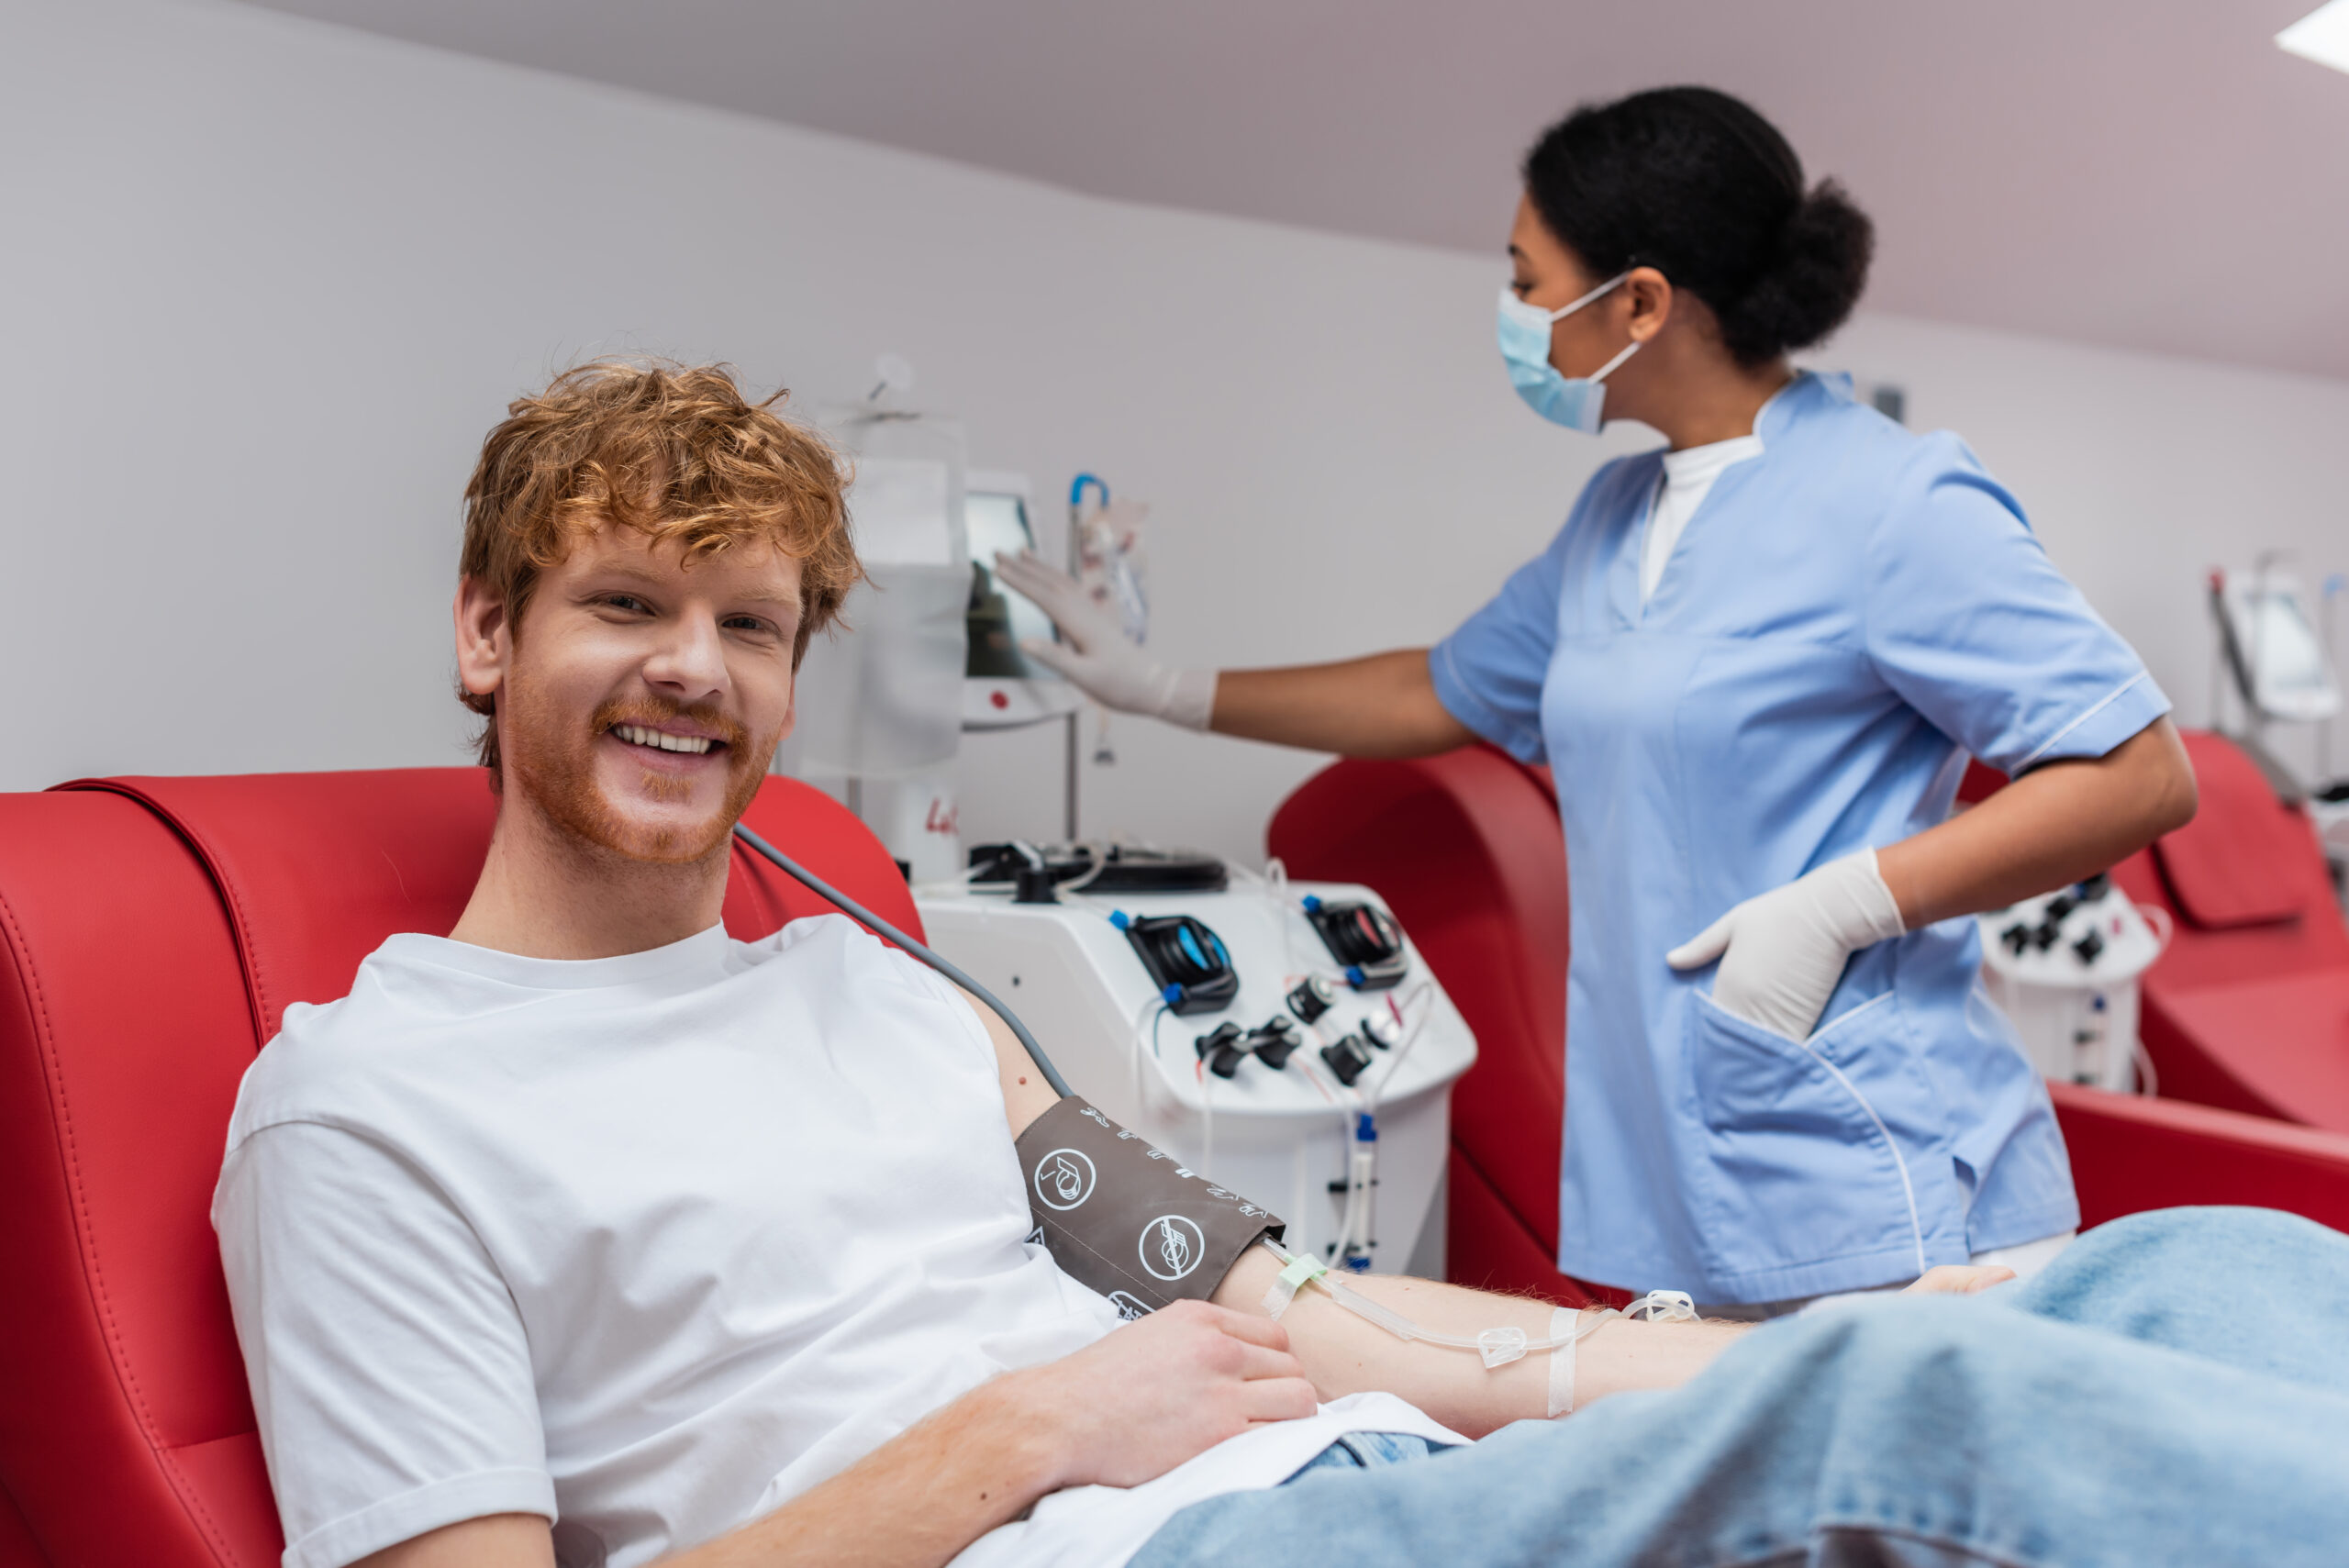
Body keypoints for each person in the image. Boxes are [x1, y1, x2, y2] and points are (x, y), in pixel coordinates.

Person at [213, 359, 2349, 1568]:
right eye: (621, 607)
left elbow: (1270, 1298)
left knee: (2158, 1276)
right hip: (1139, 1557)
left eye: (748, 625)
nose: (693, 670)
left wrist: (1797, 1334)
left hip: (1355, 1478)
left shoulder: (878, 993)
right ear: (489, 633)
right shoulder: (367, 1108)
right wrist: (1016, 1439)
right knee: (1940, 1421)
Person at [995, 86, 2199, 1313]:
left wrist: (1841, 907)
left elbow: (2139, 770)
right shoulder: (1615, 520)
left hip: (1890, 1180)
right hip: (1689, 1172)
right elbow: (1440, 688)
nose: (1515, 316)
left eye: (1529, 281)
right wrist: (1162, 688)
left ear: (1639, 302)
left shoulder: (1895, 502)